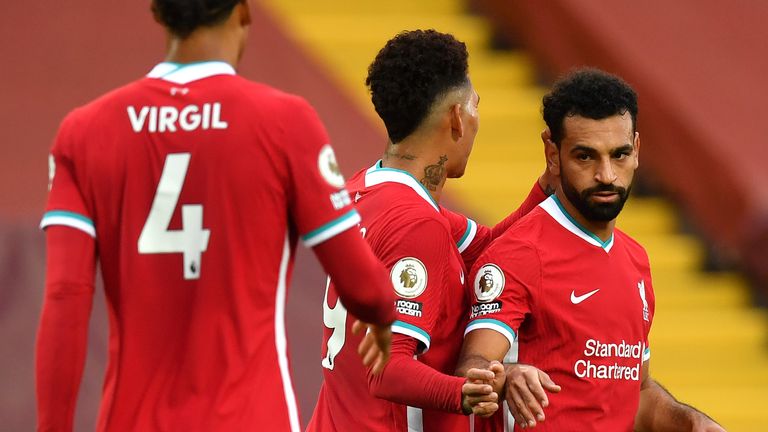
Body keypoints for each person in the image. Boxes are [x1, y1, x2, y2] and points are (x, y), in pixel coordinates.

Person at [35, 1, 397, 431]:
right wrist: (381, 312)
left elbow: (64, 297)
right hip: (252, 417)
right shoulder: (285, 122)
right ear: (243, 11)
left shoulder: (83, 132)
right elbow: (362, 284)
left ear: (159, 13)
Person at [307, 29, 553, 432]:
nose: (476, 120)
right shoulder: (419, 225)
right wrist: (462, 394)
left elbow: (495, 248)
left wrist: (548, 186)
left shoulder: (364, 190)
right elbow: (386, 370)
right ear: (457, 117)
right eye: (475, 105)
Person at [457, 68, 725, 431]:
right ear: (552, 154)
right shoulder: (520, 253)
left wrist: (692, 423)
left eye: (619, 155)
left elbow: (638, 394)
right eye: (586, 157)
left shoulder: (636, 260)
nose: (606, 175)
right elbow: (471, 368)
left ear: (637, 151)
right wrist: (508, 376)